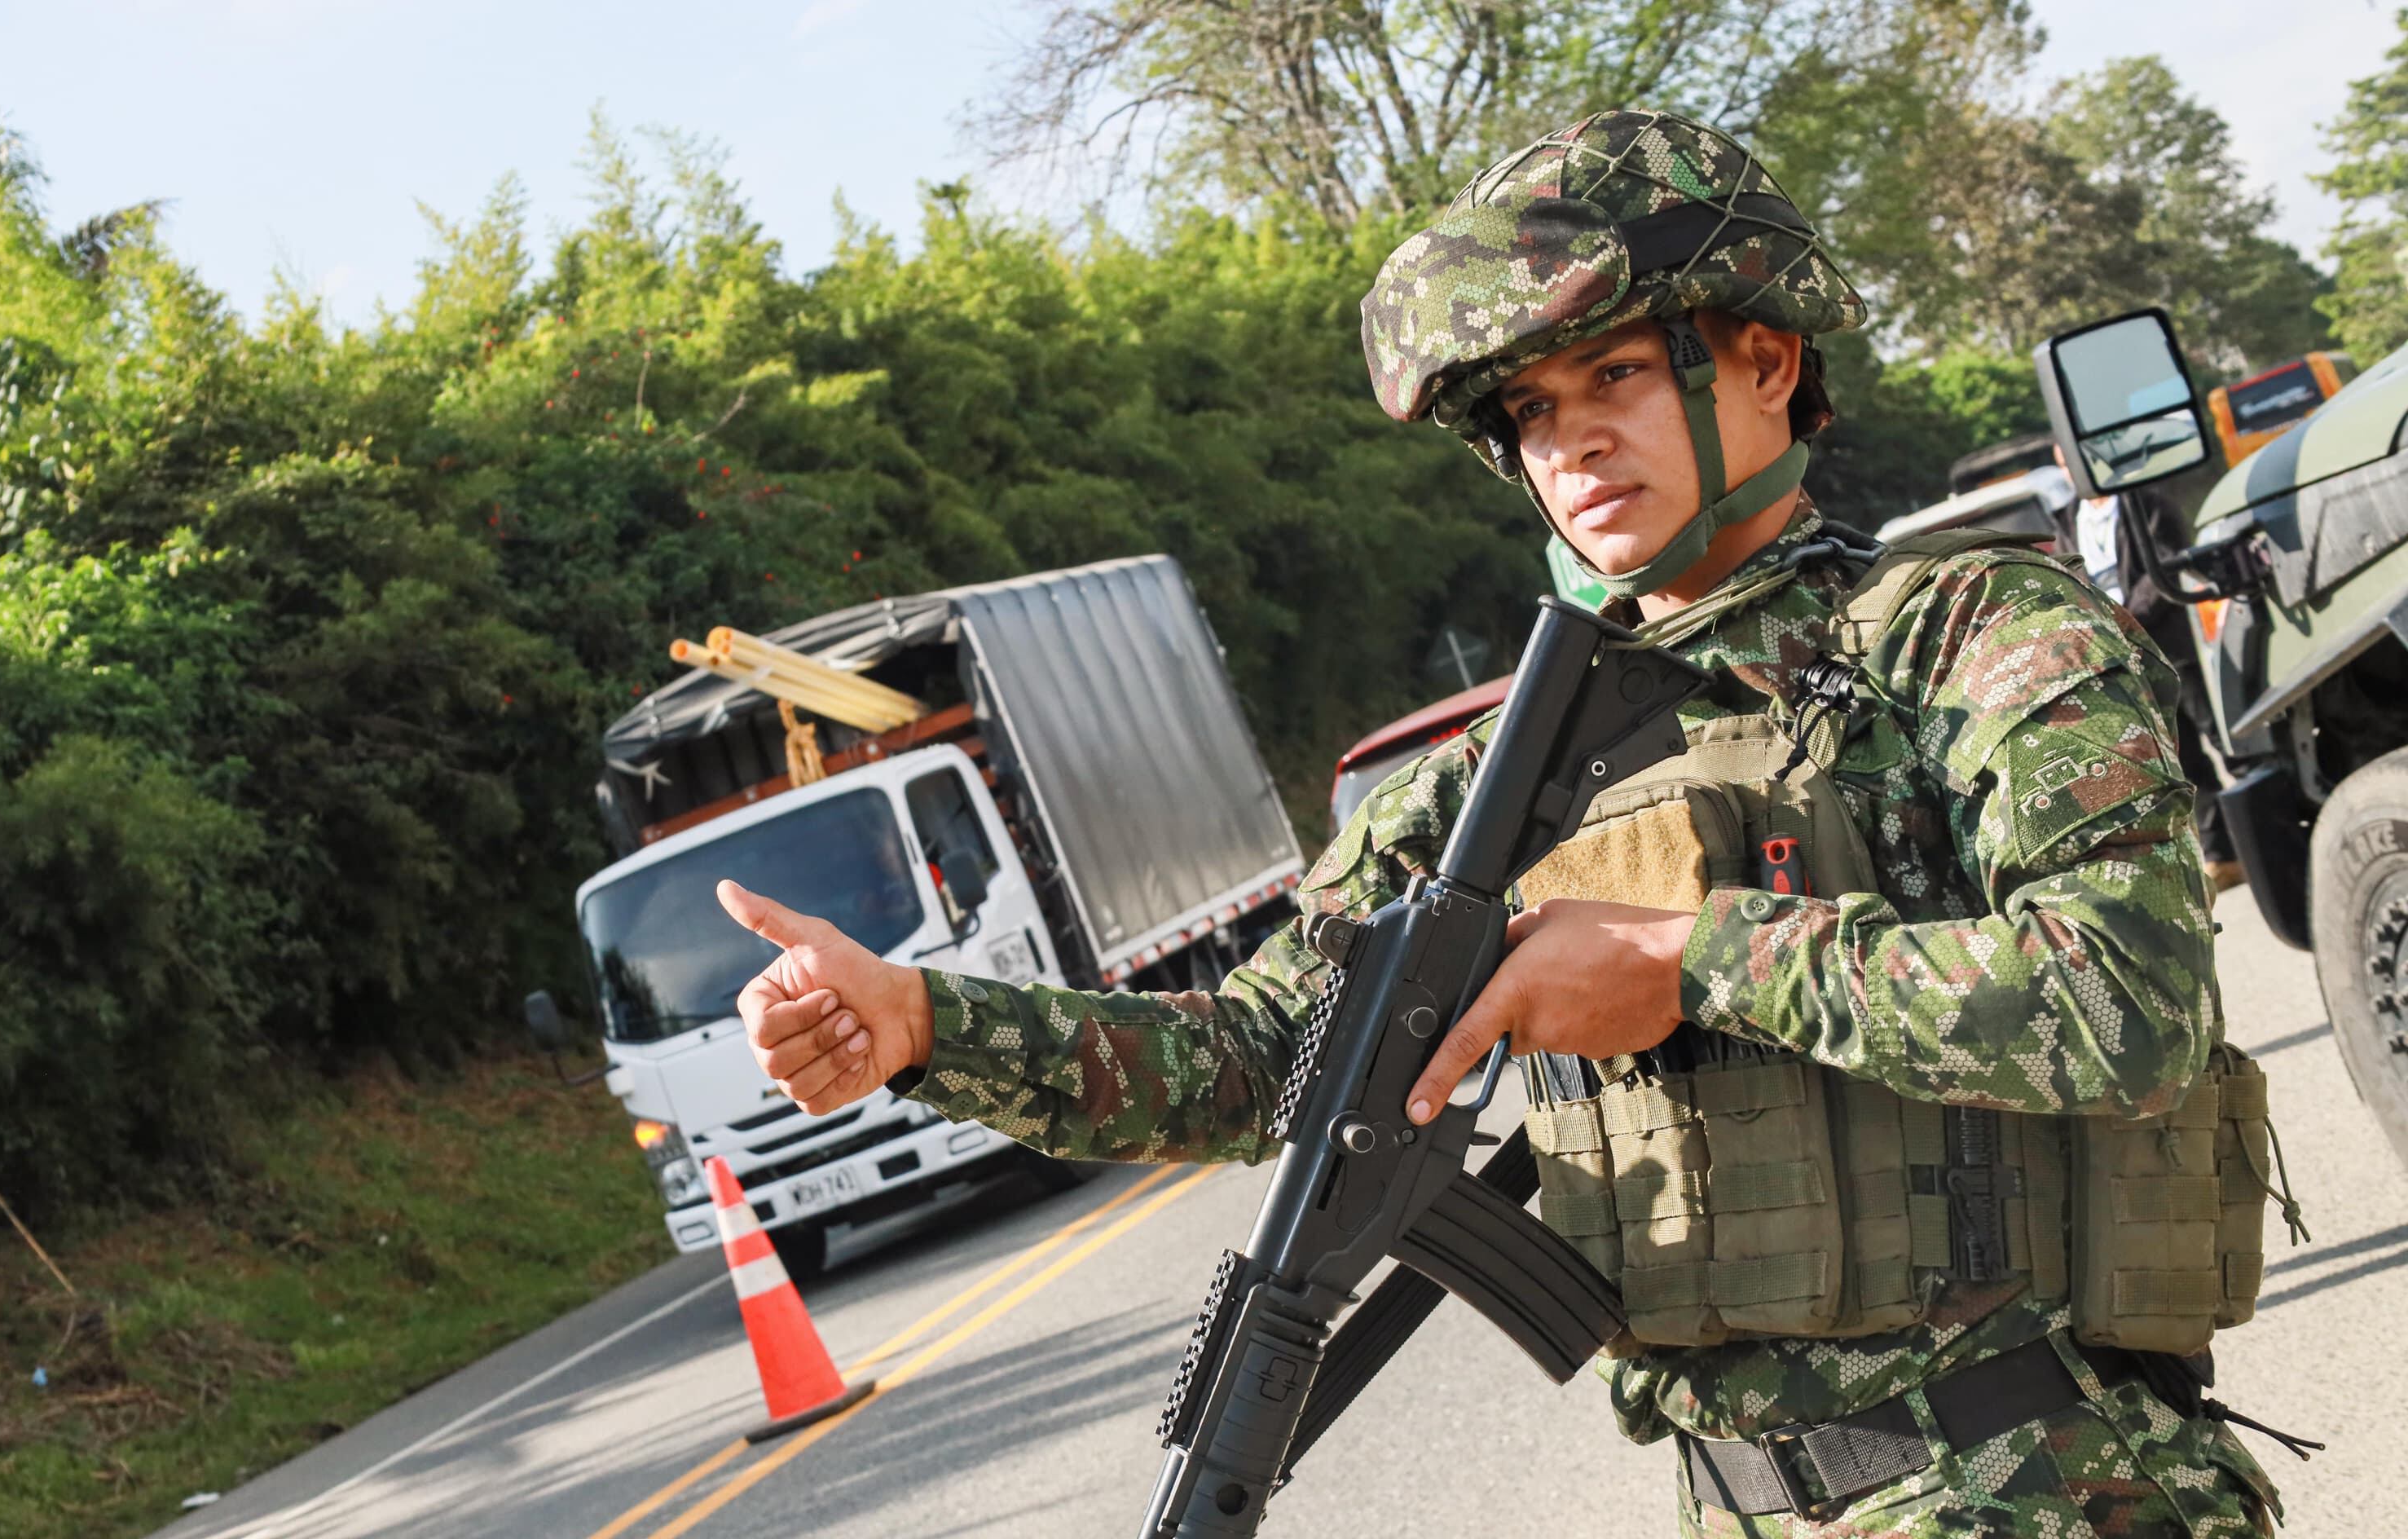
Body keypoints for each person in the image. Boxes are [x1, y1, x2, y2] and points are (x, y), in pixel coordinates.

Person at [717, 111, 2288, 1536]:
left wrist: (1696, 959)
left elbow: (2130, 997)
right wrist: (922, 1021)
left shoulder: (1969, 634)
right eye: (1531, 409)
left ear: (1763, 359)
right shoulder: (1496, 779)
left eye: (1617, 375)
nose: (1572, 441)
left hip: (2048, 1483)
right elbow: (1260, 1059)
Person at [2052, 447, 2245, 893]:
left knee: (2227, 737)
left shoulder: (2144, 502)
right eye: (2063, 463)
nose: (2072, 470)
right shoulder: (2066, 519)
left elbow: (2167, 566)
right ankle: (2224, 854)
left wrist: (2125, 618)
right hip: (2123, 656)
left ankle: (2272, 826)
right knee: (2181, 756)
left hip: (2170, 644)